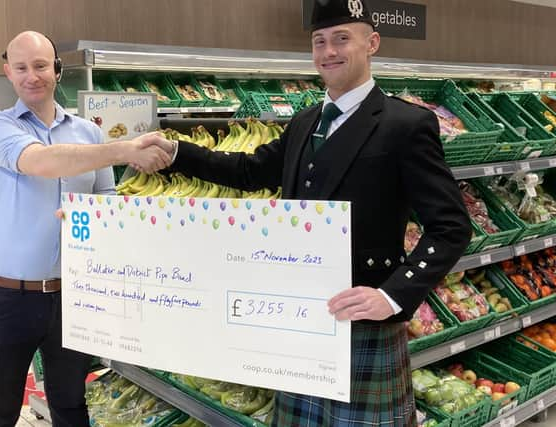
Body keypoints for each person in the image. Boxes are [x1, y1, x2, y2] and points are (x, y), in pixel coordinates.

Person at [157, 0, 472, 425]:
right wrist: (176, 152)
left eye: (342, 38)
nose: (329, 51)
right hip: (298, 317)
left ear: (372, 43)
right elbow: (249, 172)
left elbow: (451, 226)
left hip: (361, 319)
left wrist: (393, 294)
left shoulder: (405, 124)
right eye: (319, 41)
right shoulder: (305, 121)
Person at [0, 31, 171, 427]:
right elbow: (42, 162)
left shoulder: (88, 133)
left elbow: (106, 202)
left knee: (71, 406)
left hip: (75, 297)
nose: (32, 76)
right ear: (8, 73)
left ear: (57, 70)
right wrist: (124, 149)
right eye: (22, 67)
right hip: (10, 296)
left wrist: (99, 219)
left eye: (41, 66)